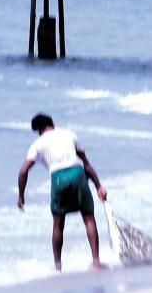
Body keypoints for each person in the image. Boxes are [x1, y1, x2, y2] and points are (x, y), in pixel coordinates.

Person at [17, 113, 108, 272]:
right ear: (52, 123)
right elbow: (86, 163)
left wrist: (21, 195)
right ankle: (96, 262)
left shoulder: (37, 144)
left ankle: (58, 267)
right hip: (77, 173)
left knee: (58, 224)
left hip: (58, 178)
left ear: (38, 129)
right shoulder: (69, 134)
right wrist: (99, 186)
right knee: (88, 218)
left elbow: (23, 171)